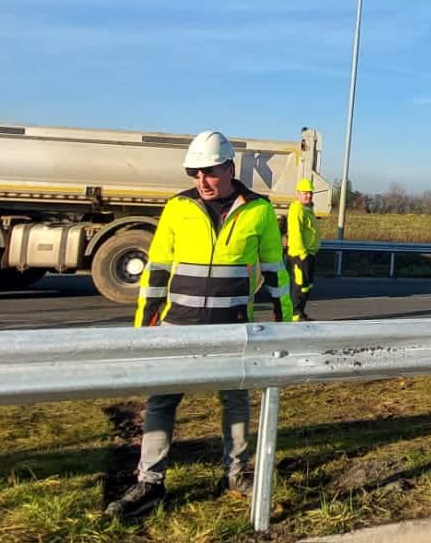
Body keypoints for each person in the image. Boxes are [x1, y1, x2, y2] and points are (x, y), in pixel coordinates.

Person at [105, 130, 293, 520]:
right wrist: (145, 327)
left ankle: (237, 474)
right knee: (162, 401)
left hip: (233, 328)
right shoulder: (177, 208)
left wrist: (285, 323)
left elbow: (276, 271)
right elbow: (155, 272)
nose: (202, 182)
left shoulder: (258, 210)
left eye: (209, 172)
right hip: (179, 326)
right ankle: (150, 481)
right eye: (195, 174)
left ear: (229, 168)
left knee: (236, 400)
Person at [286, 179, 322, 321]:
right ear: (298, 194)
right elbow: (296, 233)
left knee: (306, 285)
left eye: (310, 193)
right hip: (300, 255)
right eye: (305, 193)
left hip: (308, 254)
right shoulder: (297, 209)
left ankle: (300, 312)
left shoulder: (307, 209)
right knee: (299, 285)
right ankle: (295, 314)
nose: (308, 196)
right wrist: (302, 253)